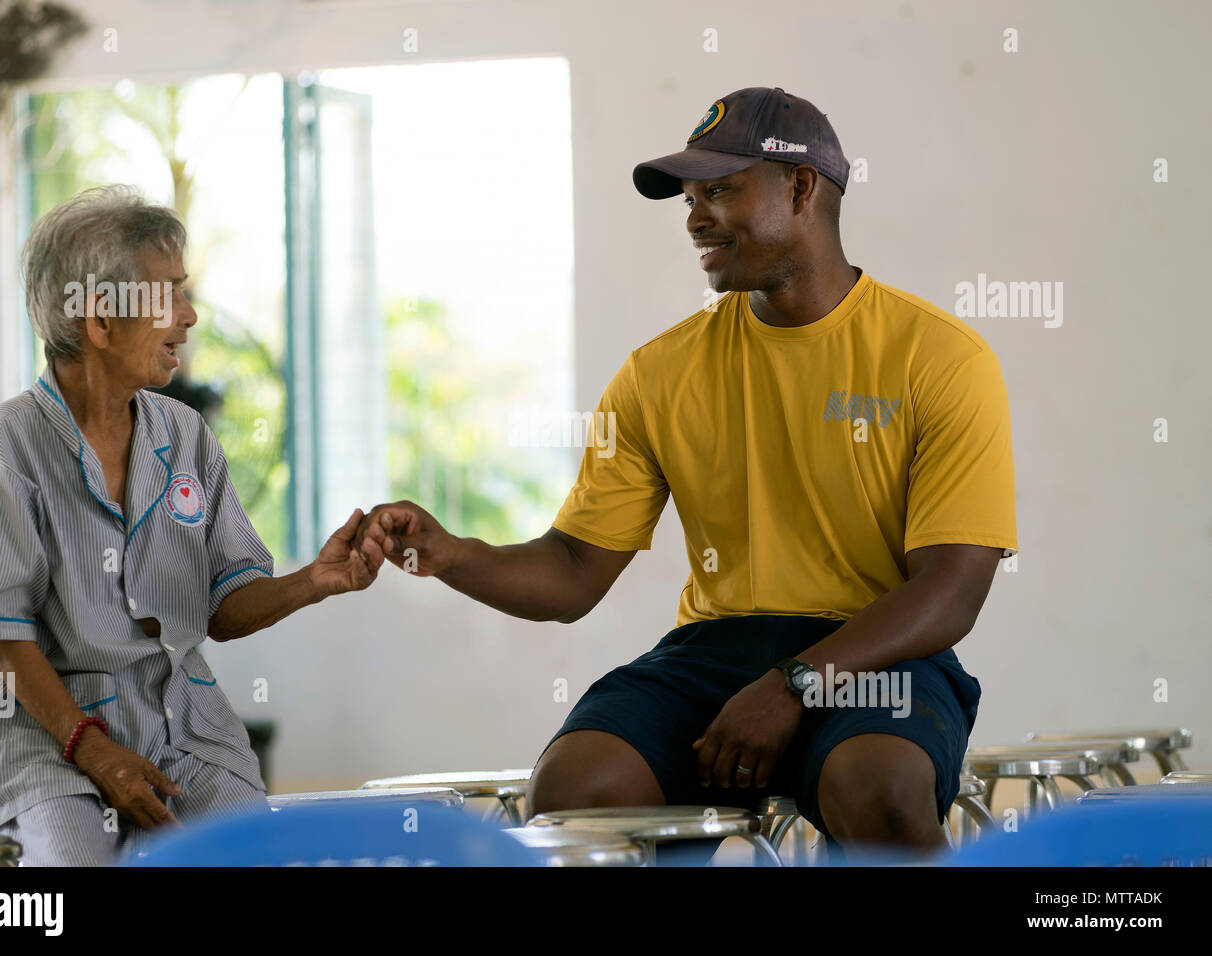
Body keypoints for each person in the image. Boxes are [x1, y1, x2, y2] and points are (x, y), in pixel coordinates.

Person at [353, 87, 1018, 857]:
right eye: (690, 198)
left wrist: (794, 685)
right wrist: (452, 554)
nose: (696, 217)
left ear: (800, 187)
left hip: (876, 656)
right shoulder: (657, 373)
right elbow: (573, 571)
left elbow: (950, 590)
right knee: (574, 789)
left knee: (881, 788)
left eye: (721, 191)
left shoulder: (940, 358)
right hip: (718, 651)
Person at [0, 185, 385, 865]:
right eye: (171, 294)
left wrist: (313, 582)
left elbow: (224, 606)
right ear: (99, 321)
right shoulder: (7, 447)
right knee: (75, 863)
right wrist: (97, 755)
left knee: (249, 855)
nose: (191, 315)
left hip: (180, 727)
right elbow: (3, 641)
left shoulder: (184, 436)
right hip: (47, 741)